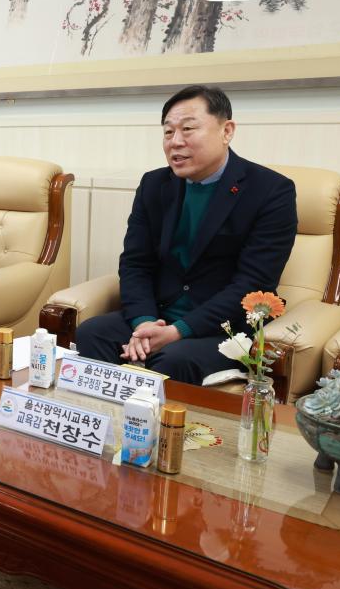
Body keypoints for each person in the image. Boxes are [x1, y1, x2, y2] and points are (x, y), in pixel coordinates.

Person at [75, 85, 297, 384]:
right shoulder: (155, 184)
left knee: (172, 359)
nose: (175, 142)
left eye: (188, 129)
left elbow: (253, 284)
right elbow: (136, 264)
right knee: (93, 332)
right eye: (168, 132)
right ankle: (106, 423)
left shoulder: (270, 190)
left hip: (221, 327)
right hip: (159, 314)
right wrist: (144, 324)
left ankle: (163, 430)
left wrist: (178, 331)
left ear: (226, 130)